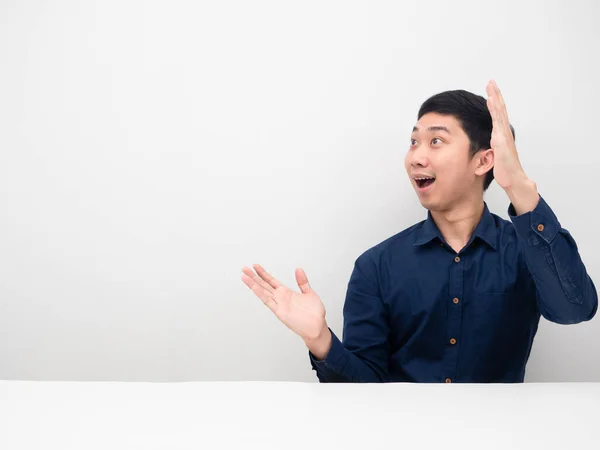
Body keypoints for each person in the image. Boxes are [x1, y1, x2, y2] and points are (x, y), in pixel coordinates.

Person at [240, 80, 598, 383]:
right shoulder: (376, 266)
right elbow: (364, 390)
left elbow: (575, 309)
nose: (416, 157)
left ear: (483, 159)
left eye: (436, 141)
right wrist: (320, 340)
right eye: (414, 142)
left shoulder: (525, 252)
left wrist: (518, 185)